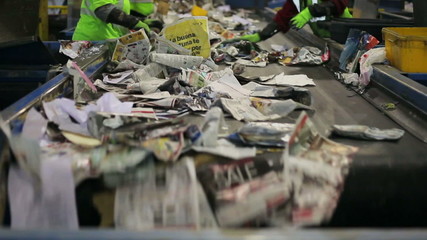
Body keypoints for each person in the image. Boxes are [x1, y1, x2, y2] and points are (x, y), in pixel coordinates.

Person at [240, 0, 353, 43]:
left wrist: (311, 12)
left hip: (349, 39)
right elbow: (283, 17)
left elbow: (338, 3)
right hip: (327, 42)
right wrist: (261, 35)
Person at [72, 0, 151, 41]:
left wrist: (141, 21)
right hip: (92, 42)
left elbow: (120, 11)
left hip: (108, 40)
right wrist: (134, 22)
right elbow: (104, 10)